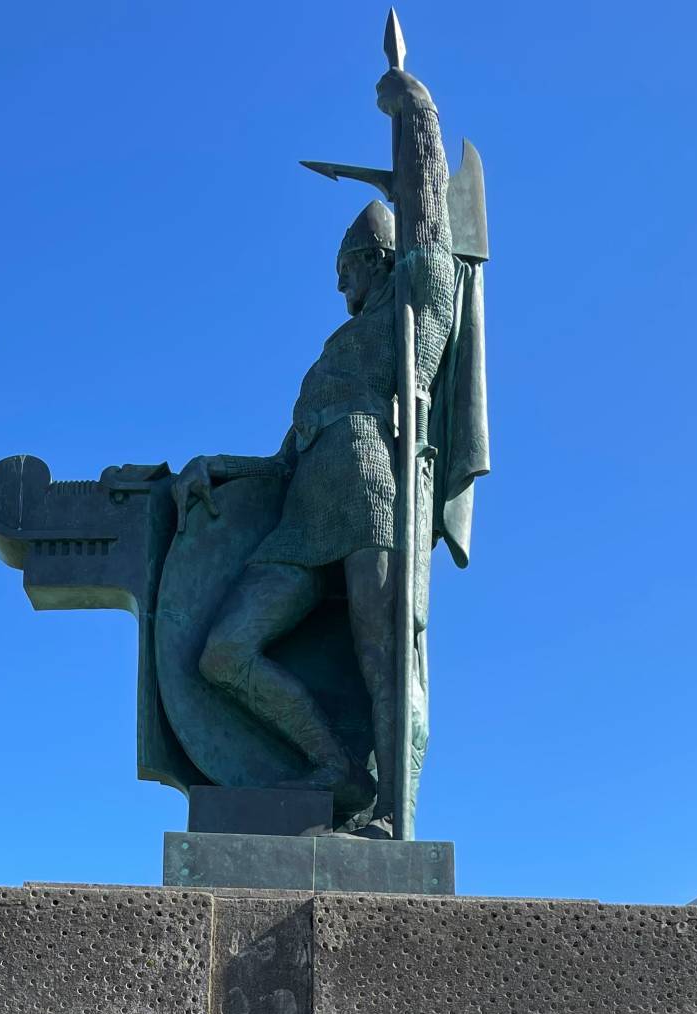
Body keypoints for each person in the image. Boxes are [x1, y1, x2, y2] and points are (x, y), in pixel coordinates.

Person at [169, 65, 461, 835]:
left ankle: (397, 815)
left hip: (372, 493)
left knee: (385, 660)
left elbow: (436, 233)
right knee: (224, 653)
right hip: (306, 510)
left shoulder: (411, 305)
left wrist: (417, 117)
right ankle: (334, 765)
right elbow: (285, 458)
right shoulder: (331, 353)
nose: (341, 290)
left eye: (347, 271)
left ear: (377, 261)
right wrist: (218, 467)